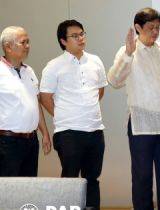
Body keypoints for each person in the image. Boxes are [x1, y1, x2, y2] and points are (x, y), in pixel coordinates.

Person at [107, 8, 160, 210]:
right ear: (138, 27)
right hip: (141, 125)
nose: (155, 32)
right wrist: (128, 54)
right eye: (151, 27)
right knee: (142, 178)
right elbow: (113, 80)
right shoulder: (127, 51)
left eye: (158, 28)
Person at [40, 20, 107, 210]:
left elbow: (99, 91)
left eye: (82, 34)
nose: (81, 38)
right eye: (75, 36)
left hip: (95, 130)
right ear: (63, 41)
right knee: (70, 180)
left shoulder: (95, 61)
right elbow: (45, 97)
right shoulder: (53, 66)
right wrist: (64, 114)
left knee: (92, 178)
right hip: (68, 132)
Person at [0, 26, 51, 177]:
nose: (28, 46)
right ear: (8, 47)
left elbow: (35, 104)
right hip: (7, 142)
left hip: (31, 141)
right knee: (8, 193)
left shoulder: (29, 71)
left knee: (28, 190)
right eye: (23, 42)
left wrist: (45, 133)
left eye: (28, 42)